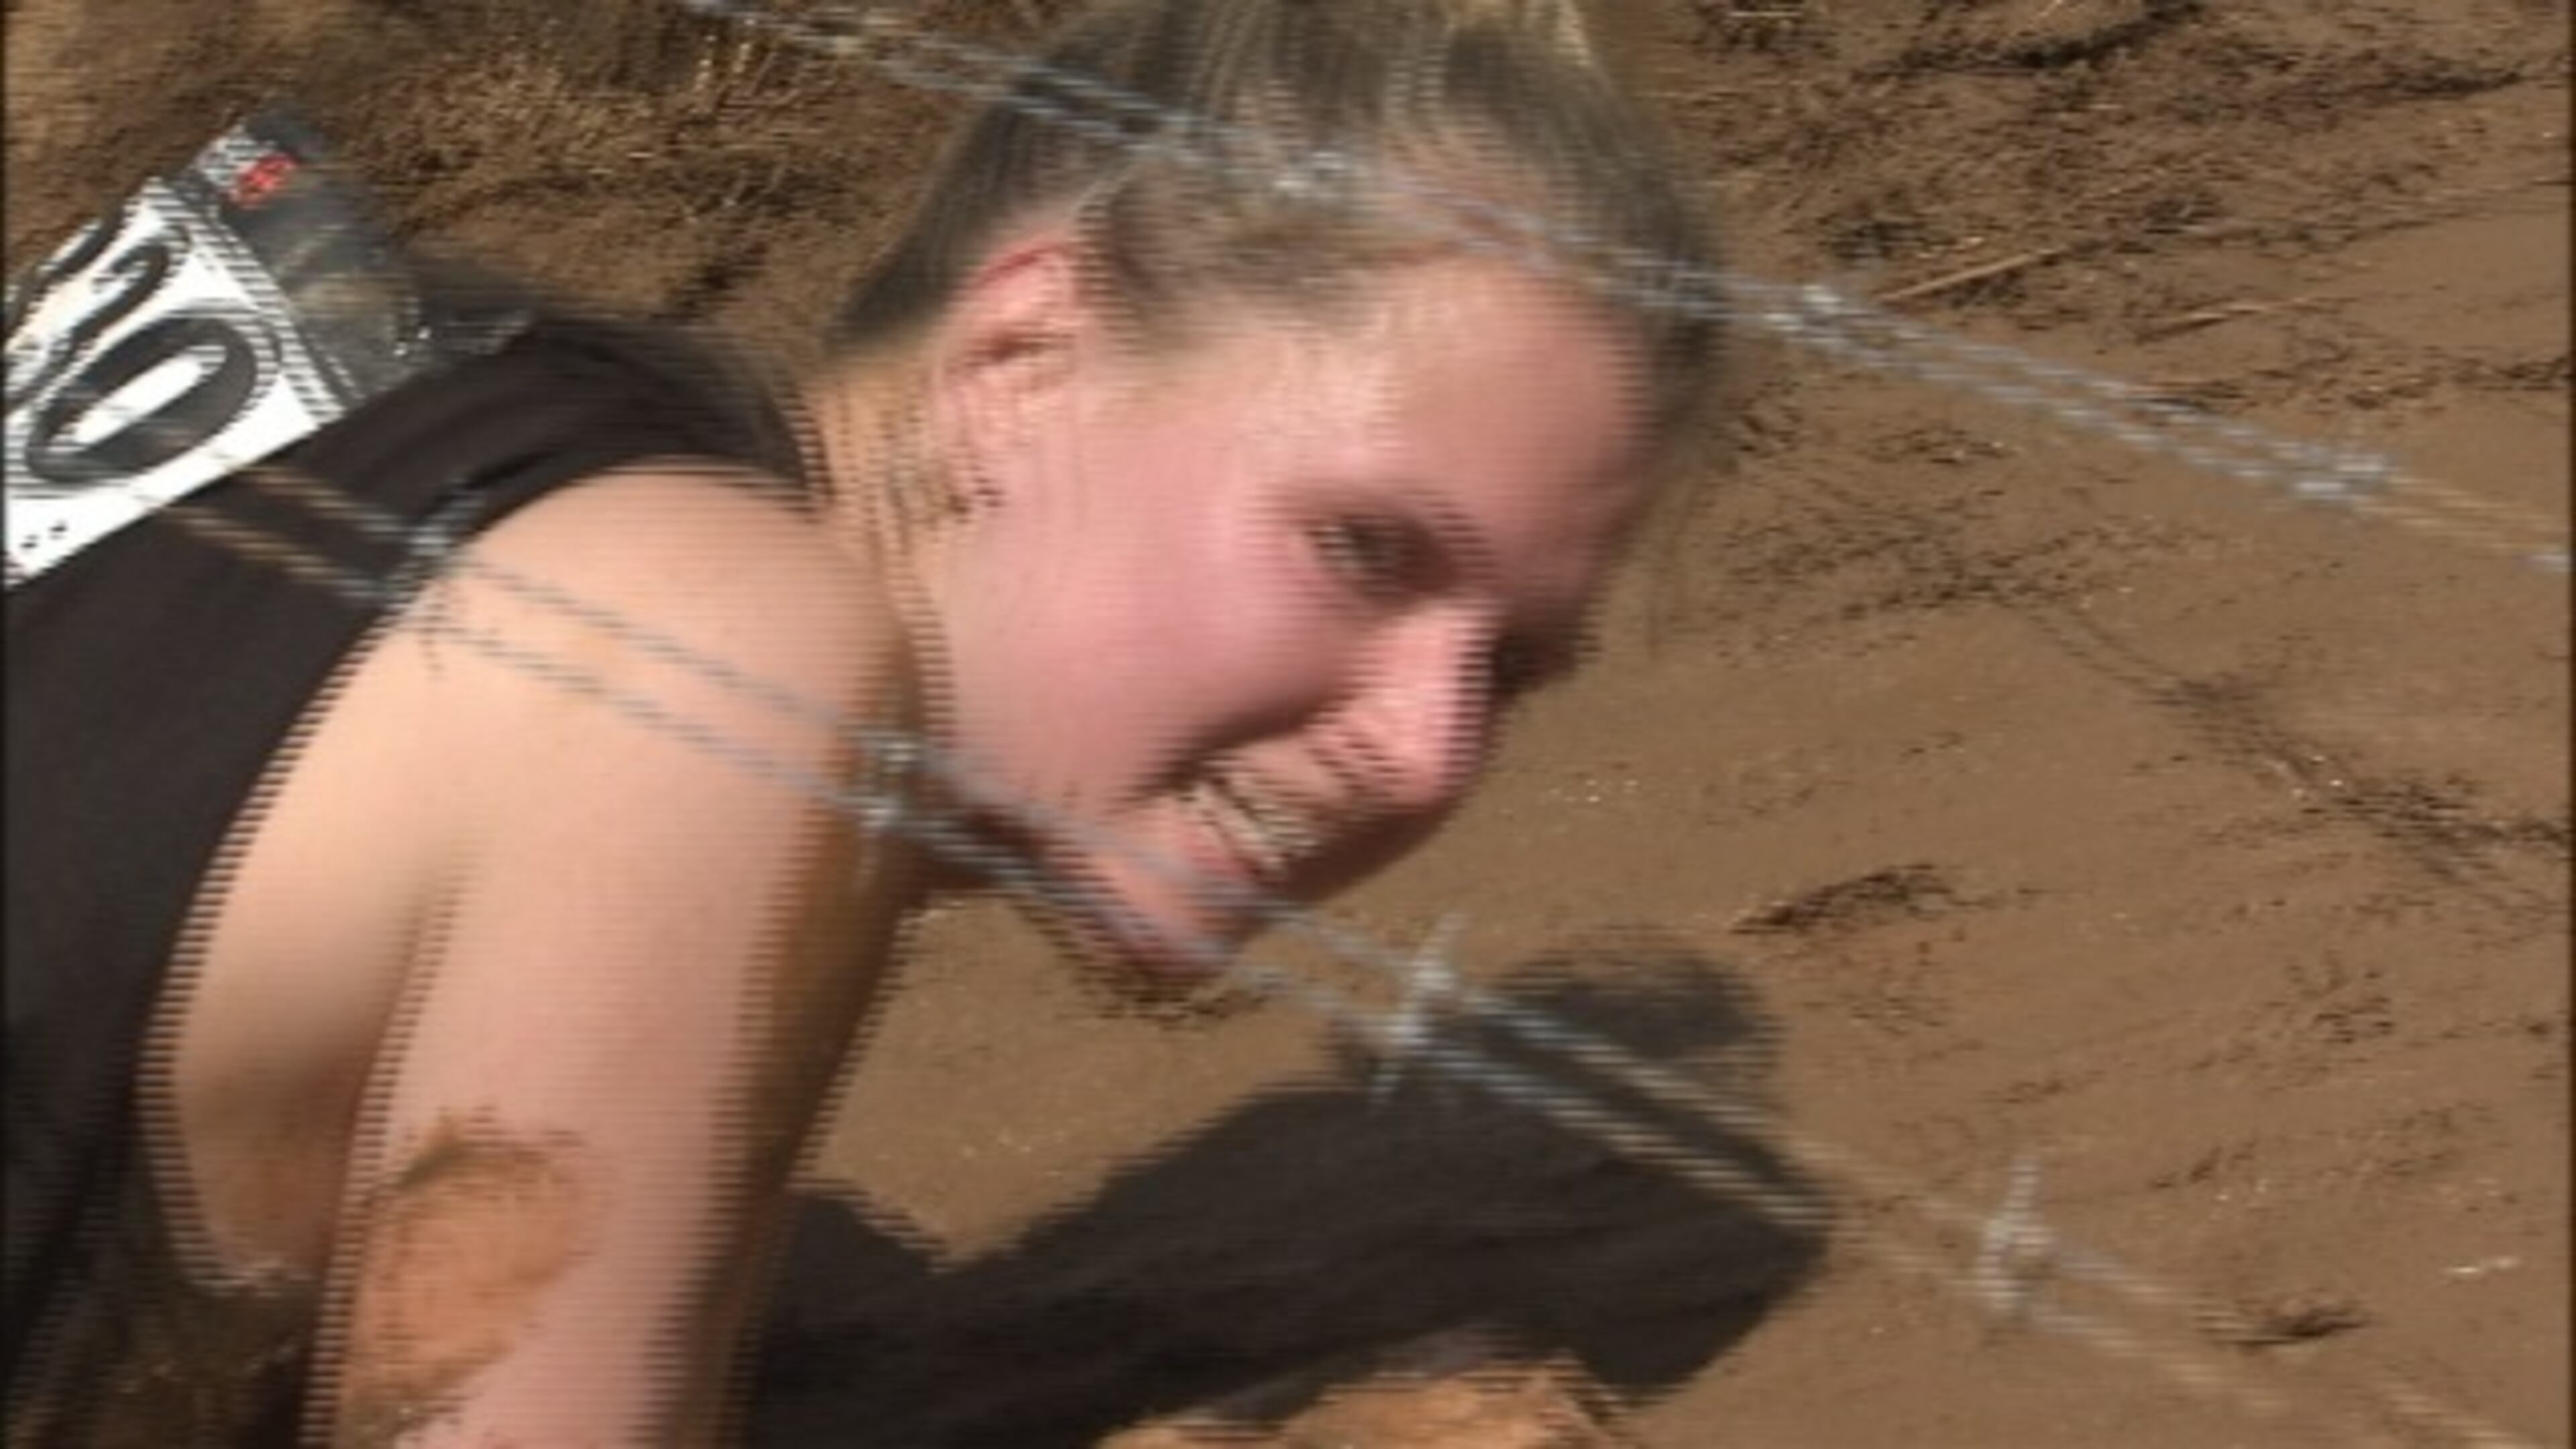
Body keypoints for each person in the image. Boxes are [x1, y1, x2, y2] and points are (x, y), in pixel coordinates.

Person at [3, 0, 1721, 1441]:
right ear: (1022, 360)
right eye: (1363, 548)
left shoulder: (393, 362)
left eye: (1514, 667)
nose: (1428, 751)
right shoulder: (719, 677)